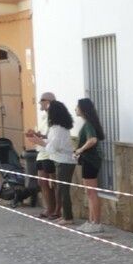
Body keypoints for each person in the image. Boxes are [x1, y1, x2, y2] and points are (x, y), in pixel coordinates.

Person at [29, 100, 76, 225]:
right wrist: (41, 138)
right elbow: (51, 141)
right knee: (60, 189)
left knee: (63, 190)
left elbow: (53, 147)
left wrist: (39, 142)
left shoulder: (59, 129)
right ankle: (65, 215)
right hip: (60, 160)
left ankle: (68, 217)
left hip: (64, 161)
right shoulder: (56, 128)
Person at [73, 98, 106, 234]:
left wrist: (80, 150)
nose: (75, 109)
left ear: (83, 109)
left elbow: (92, 140)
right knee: (89, 192)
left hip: (91, 161)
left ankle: (96, 223)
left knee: (92, 193)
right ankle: (91, 221)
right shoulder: (88, 123)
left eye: (77, 106)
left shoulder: (88, 125)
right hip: (89, 161)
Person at [26, 93, 58, 219]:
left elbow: (52, 137)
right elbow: (45, 135)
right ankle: (49, 208)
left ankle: (55, 209)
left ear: (48, 102)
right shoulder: (44, 117)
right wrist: (35, 134)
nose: (39, 103)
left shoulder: (55, 118)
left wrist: (39, 138)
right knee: (42, 182)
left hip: (49, 153)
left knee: (52, 183)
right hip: (41, 152)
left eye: (41, 100)